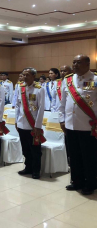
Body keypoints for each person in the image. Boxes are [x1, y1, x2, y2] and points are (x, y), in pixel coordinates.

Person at [59, 55, 97, 195]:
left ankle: (91, 183)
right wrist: (62, 119)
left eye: (78, 62)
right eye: (73, 62)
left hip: (88, 126)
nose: (75, 65)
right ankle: (76, 181)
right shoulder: (68, 80)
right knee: (73, 156)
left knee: (89, 157)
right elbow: (62, 103)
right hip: (70, 125)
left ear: (88, 63)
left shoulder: (95, 79)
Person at [15, 67, 45, 179]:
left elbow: (41, 108)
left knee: (35, 150)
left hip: (33, 125)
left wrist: (37, 125)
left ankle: (36, 170)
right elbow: (18, 105)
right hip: (22, 123)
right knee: (25, 148)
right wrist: (16, 121)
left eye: (27, 75)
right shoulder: (20, 87)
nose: (24, 77)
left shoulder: (39, 89)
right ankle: (28, 167)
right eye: (23, 74)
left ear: (33, 76)